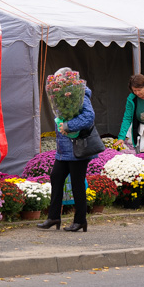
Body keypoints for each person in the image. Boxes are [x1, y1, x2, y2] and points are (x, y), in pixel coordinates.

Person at [37, 68, 96, 233]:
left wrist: (68, 126)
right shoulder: (61, 96)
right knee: (56, 178)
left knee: (77, 184)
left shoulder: (80, 95)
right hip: (63, 150)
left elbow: (89, 116)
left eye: (58, 81)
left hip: (78, 148)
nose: (55, 84)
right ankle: (54, 216)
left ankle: (80, 221)